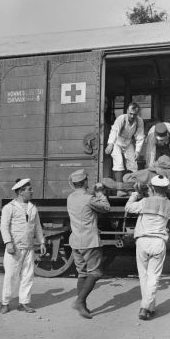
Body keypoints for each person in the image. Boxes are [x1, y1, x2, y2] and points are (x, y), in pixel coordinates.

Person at [125, 175, 170, 320]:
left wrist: (135, 195)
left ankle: (145, 307)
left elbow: (128, 207)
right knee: (154, 277)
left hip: (143, 242)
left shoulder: (145, 202)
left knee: (144, 277)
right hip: (158, 242)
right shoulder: (168, 204)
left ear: (152, 188)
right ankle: (148, 307)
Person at [67, 169, 111, 319]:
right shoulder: (89, 198)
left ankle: (82, 305)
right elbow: (105, 207)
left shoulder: (70, 198)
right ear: (85, 182)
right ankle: (79, 301)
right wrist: (99, 192)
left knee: (82, 273)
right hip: (89, 242)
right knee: (96, 273)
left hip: (75, 241)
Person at [0, 178, 46, 314]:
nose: (32, 191)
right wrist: (8, 243)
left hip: (29, 248)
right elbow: (4, 226)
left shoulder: (33, 208)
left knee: (27, 275)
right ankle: (5, 303)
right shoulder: (9, 208)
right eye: (29, 189)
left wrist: (41, 242)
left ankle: (24, 302)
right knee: (11, 276)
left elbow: (37, 226)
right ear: (20, 192)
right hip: (14, 248)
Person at [105, 102, 145, 196]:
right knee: (118, 162)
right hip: (117, 142)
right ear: (127, 111)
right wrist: (110, 144)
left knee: (133, 164)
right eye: (130, 113)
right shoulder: (121, 118)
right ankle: (119, 190)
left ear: (137, 114)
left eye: (134, 114)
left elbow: (140, 136)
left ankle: (131, 189)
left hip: (128, 143)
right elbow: (114, 131)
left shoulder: (139, 121)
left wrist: (137, 151)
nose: (132, 116)